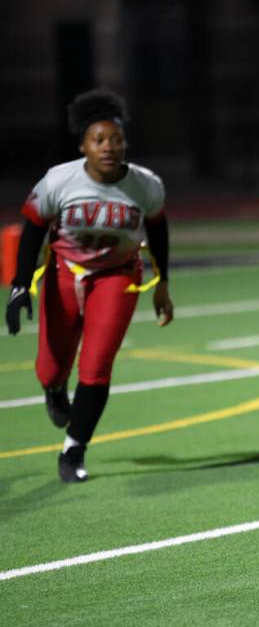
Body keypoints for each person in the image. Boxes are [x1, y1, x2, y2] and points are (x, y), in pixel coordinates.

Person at [4, 88, 174, 483]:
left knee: (96, 367)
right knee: (50, 367)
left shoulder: (145, 185)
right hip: (65, 272)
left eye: (116, 139)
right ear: (83, 145)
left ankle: (74, 448)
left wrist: (162, 282)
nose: (109, 147)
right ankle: (53, 387)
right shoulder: (59, 180)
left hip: (117, 276)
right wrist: (18, 286)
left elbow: (158, 230)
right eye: (99, 140)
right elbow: (32, 230)